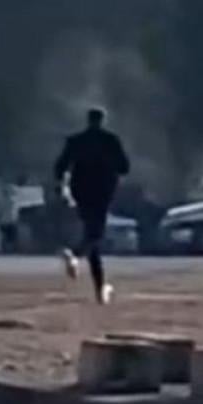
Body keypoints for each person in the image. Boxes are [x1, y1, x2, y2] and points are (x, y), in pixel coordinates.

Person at [53, 108, 131, 304]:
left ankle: (99, 287)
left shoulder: (76, 141)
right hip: (102, 193)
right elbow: (124, 167)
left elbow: (60, 167)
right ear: (102, 120)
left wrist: (62, 187)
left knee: (92, 234)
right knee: (95, 236)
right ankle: (76, 256)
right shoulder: (110, 141)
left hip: (81, 192)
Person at [0, 181, 19, 253]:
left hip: (5, 221)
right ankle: (8, 249)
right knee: (9, 237)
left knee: (6, 236)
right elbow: (14, 212)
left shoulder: (4, 201)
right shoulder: (13, 201)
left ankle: (6, 249)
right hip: (10, 221)